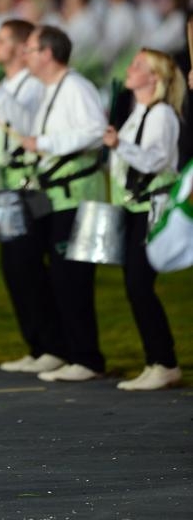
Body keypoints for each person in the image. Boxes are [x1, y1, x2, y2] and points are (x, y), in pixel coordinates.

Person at [0, 19, 64, 374]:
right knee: (12, 267)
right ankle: (35, 344)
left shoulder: (31, 86)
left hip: (28, 185)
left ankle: (53, 345)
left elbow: (26, 125)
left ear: (20, 47)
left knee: (28, 264)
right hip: (7, 183)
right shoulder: (12, 85)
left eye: (3, 40)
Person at [19, 25, 108, 383]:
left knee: (72, 278)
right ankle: (71, 351)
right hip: (56, 198)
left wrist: (45, 143)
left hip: (78, 198)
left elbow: (94, 130)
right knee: (58, 275)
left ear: (48, 53)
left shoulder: (76, 87)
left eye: (30, 48)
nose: (25, 55)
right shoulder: (52, 89)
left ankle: (87, 357)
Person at [103, 48, 186, 390]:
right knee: (135, 286)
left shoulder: (162, 114)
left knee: (139, 285)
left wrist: (118, 144)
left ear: (155, 77)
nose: (130, 69)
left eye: (138, 66)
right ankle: (156, 360)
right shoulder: (138, 111)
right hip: (134, 207)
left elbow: (155, 161)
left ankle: (164, 361)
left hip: (152, 208)